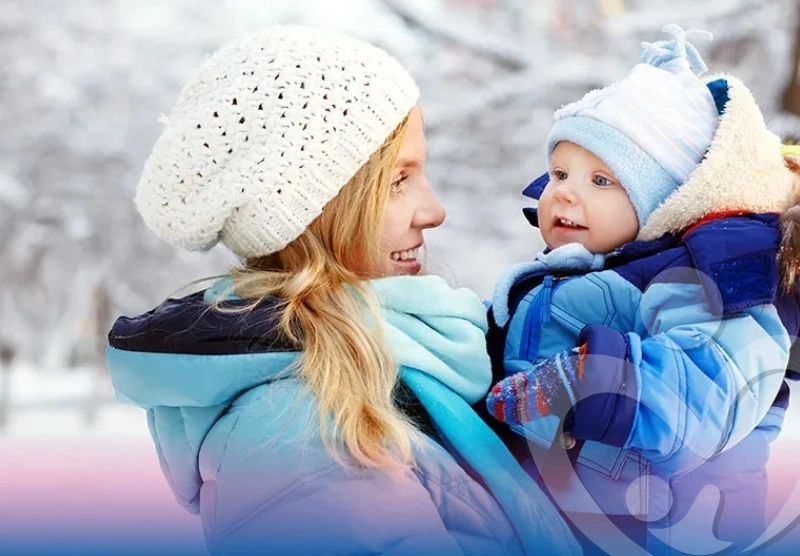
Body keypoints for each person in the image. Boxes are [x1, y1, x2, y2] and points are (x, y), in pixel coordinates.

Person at [105, 25, 581, 556]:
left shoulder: (410, 370)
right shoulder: (298, 436)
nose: (434, 211)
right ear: (320, 210)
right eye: (398, 181)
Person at [483, 25, 800, 555]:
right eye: (559, 172)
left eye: (601, 180)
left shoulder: (707, 273)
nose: (564, 193)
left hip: (667, 526)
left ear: (666, 199)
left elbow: (713, 387)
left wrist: (586, 381)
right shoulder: (587, 275)